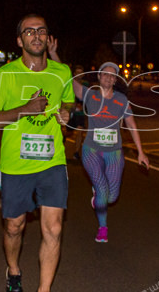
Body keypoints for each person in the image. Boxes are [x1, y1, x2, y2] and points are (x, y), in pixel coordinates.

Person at [0, 14, 74, 292]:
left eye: (42, 31)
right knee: (14, 226)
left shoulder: (62, 72)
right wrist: (24, 110)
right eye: (29, 31)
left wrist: (65, 112)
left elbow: (69, 104)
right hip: (16, 165)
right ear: (19, 40)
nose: (36, 35)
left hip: (52, 162)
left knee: (54, 228)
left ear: (49, 39)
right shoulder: (5, 75)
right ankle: (13, 271)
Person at [48, 41, 148, 243]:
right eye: (106, 74)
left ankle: (98, 196)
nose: (109, 77)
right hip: (91, 150)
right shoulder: (89, 95)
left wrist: (141, 151)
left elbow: (131, 124)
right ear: (100, 76)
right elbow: (67, 78)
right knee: (103, 191)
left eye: (113, 75)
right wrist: (53, 54)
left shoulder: (121, 99)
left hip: (114, 153)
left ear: (115, 79)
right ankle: (103, 227)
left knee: (112, 197)